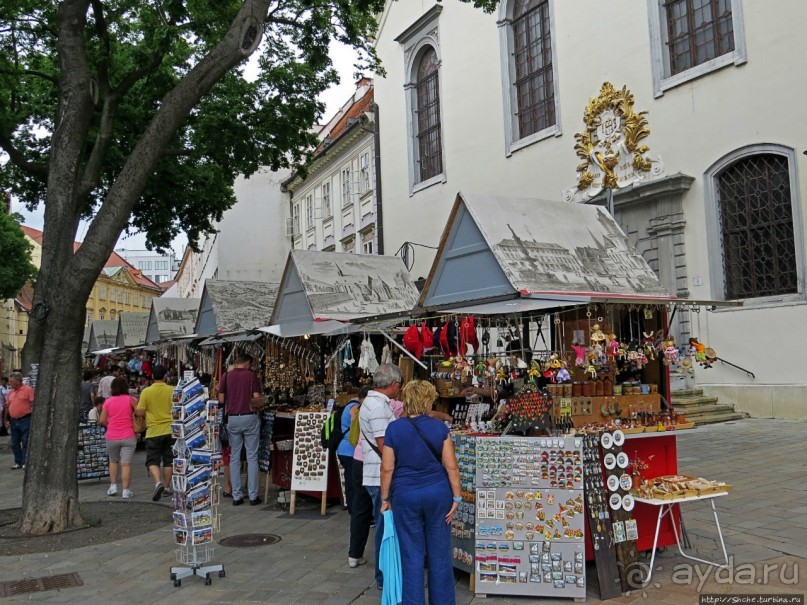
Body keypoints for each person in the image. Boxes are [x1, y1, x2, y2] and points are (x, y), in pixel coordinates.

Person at [380, 380, 461, 605]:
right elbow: (451, 466)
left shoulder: (394, 428)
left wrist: (385, 499)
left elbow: (387, 468)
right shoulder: (439, 428)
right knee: (439, 555)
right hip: (438, 494)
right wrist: (457, 497)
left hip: (405, 497)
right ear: (428, 400)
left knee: (412, 555)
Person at [358, 363, 401, 589]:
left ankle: (386, 574)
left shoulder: (374, 403)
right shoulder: (377, 408)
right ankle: (383, 577)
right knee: (385, 530)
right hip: (379, 477)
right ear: (393, 385)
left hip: (377, 475)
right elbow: (386, 449)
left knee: (386, 528)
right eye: (399, 386)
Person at [218, 353, 263, 506]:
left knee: (234, 456)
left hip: (233, 418)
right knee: (252, 456)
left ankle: (237, 496)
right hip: (249, 416)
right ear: (247, 363)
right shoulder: (252, 376)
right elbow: (256, 398)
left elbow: (221, 400)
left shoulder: (226, 376)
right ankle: (253, 496)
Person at [135, 365, 175, 501]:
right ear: (165, 376)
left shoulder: (146, 392)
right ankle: (167, 487)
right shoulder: (172, 390)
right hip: (171, 430)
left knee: (153, 460)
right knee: (169, 459)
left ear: (152, 377)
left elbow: (139, 412)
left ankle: (158, 483)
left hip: (153, 431)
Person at [344, 385, 372, 568]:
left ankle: (354, 554)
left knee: (360, 508)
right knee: (381, 509)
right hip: (372, 462)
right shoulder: (387, 407)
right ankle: (384, 563)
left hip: (357, 459)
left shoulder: (359, 409)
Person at [99, 378, 137, 499]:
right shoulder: (131, 400)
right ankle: (126, 490)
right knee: (126, 464)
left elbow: (102, 420)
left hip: (112, 436)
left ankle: (113, 486)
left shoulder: (108, 402)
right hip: (128, 435)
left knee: (113, 461)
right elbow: (140, 413)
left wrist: (110, 424)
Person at [3, 372, 35, 469]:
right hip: (13, 420)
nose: (9, 383)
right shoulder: (10, 392)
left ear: (18, 381)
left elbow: (33, 404)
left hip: (25, 419)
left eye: (11, 381)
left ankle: (25, 461)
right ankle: (18, 462)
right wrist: (5, 420)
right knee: (15, 442)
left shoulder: (28, 390)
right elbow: (7, 407)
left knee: (25, 441)